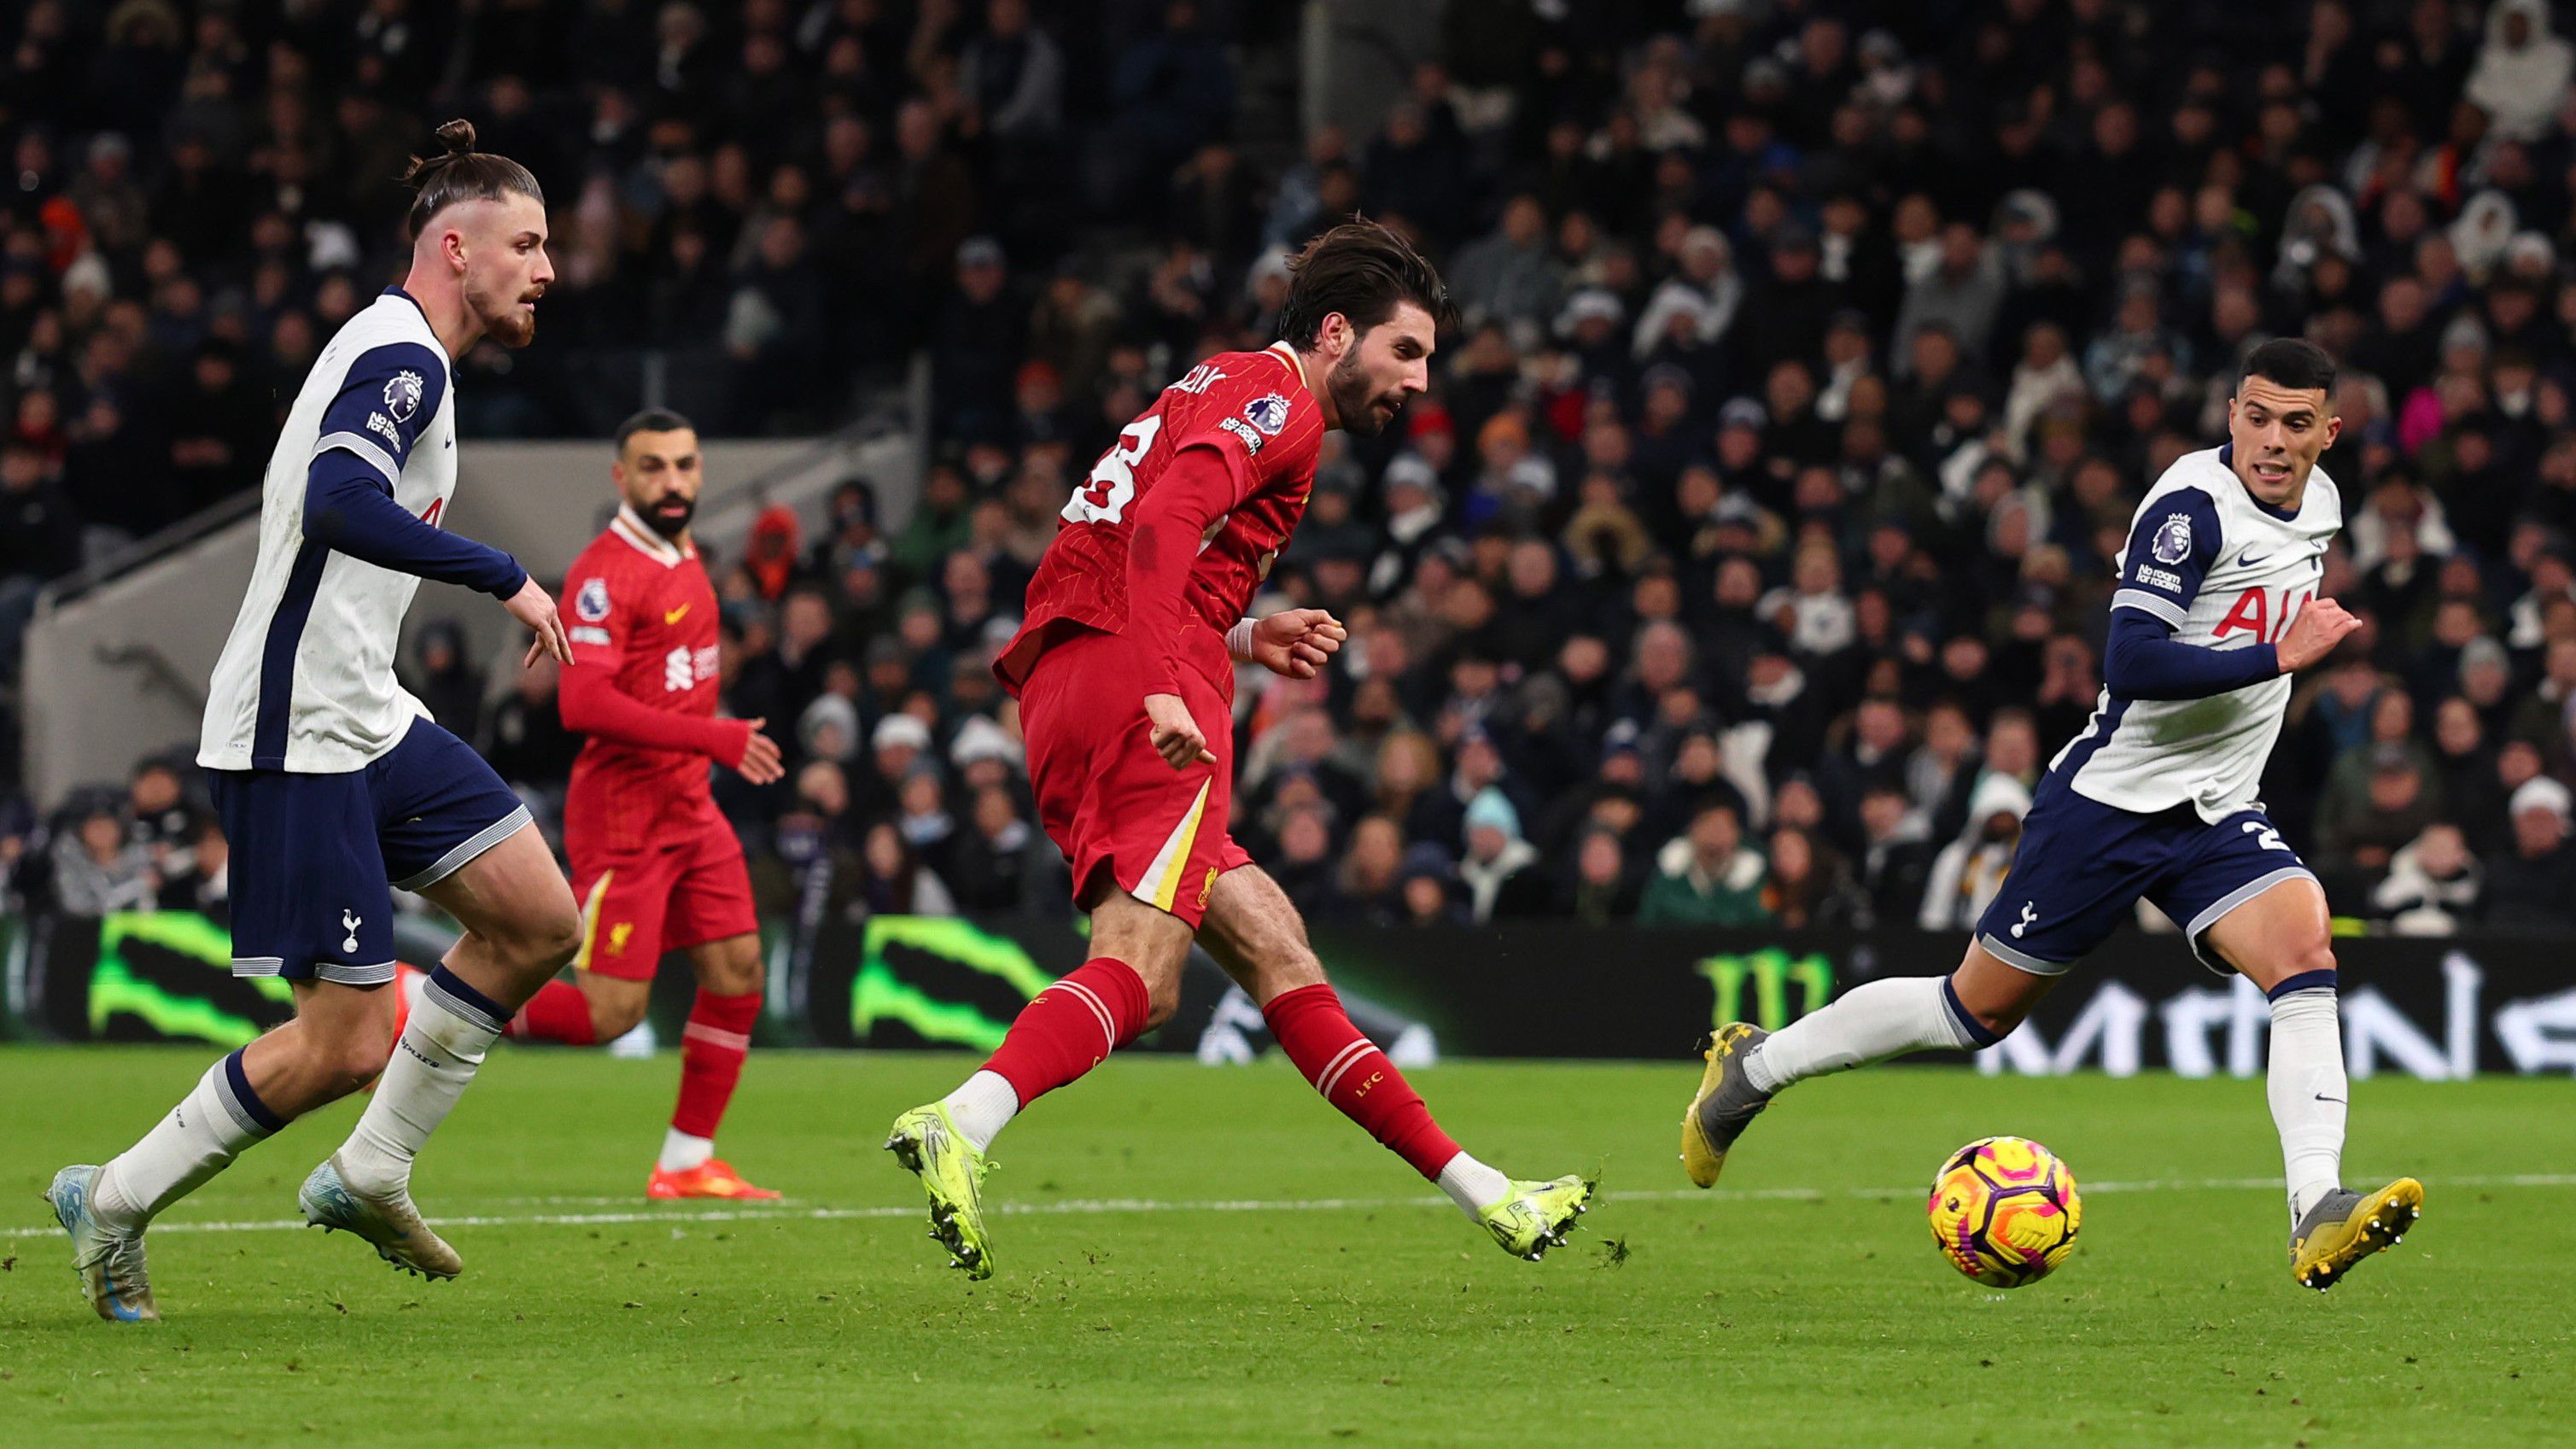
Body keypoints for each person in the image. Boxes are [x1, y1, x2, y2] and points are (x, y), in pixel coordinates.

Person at [885, 219, 1592, 1281]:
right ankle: (963, 1119)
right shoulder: (1279, 405)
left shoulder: (1219, 386)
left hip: (1079, 672)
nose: (1418, 381)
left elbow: (1130, 543)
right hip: (1144, 685)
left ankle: (1489, 1192)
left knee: (1274, 945)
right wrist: (1170, 677)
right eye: (1405, 352)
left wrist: (1244, 635)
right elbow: (1167, 522)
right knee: (1141, 973)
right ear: (1336, 331)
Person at [1681, 340, 2423, 1294]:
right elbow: (2130, 660)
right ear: (2228, 412)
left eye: (2293, 423)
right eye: (2254, 417)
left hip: (2213, 805)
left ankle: (2314, 1206)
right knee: (1968, 1011)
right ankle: (1753, 1067)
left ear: (2328, 430)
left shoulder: (2318, 505)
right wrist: (2275, 657)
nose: (2271, 442)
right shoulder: (2189, 510)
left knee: (2303, 951)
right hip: (2108, 805)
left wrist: (2270, 661)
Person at [47, 121, 581, 1322]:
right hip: (297, 727)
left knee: (538, 918)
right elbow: (341, 499)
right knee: (342, 1042)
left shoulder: (400, 353)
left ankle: (370, 1170)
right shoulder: (405, 355)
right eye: (528, 244)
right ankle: (113, 1198)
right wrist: (501, 570)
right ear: (457, 246)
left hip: (367, 712)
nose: (546, 269)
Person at [493, 409, 788, 1200]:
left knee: (737, 971)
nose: (673, 480)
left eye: (685, 465)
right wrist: (713, 738)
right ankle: (428, 1006)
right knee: (609, 1014)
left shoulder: (684, 554)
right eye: (653, 467)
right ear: (621, 478)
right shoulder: (605, 572)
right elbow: (583, 705)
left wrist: (701, 749)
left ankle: (687, 1160)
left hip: (689, 809)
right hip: (625, 815)